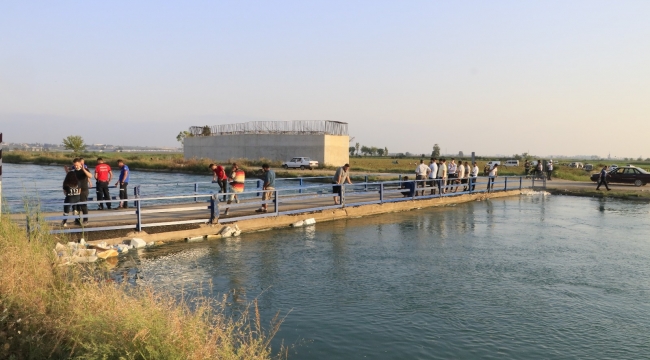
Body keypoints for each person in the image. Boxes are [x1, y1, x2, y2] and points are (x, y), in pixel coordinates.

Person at [71, 158, 92, 224]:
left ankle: (85, 220)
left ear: (80, 164)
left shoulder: (85, 170)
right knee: (76, 206)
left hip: (84, 190)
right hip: (76, 190)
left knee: (83, 205)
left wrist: (83, 169)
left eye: (77, 165)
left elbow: (90, 176)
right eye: (74, 165)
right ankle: (77, 220)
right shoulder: (74, 172)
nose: (76, 166)